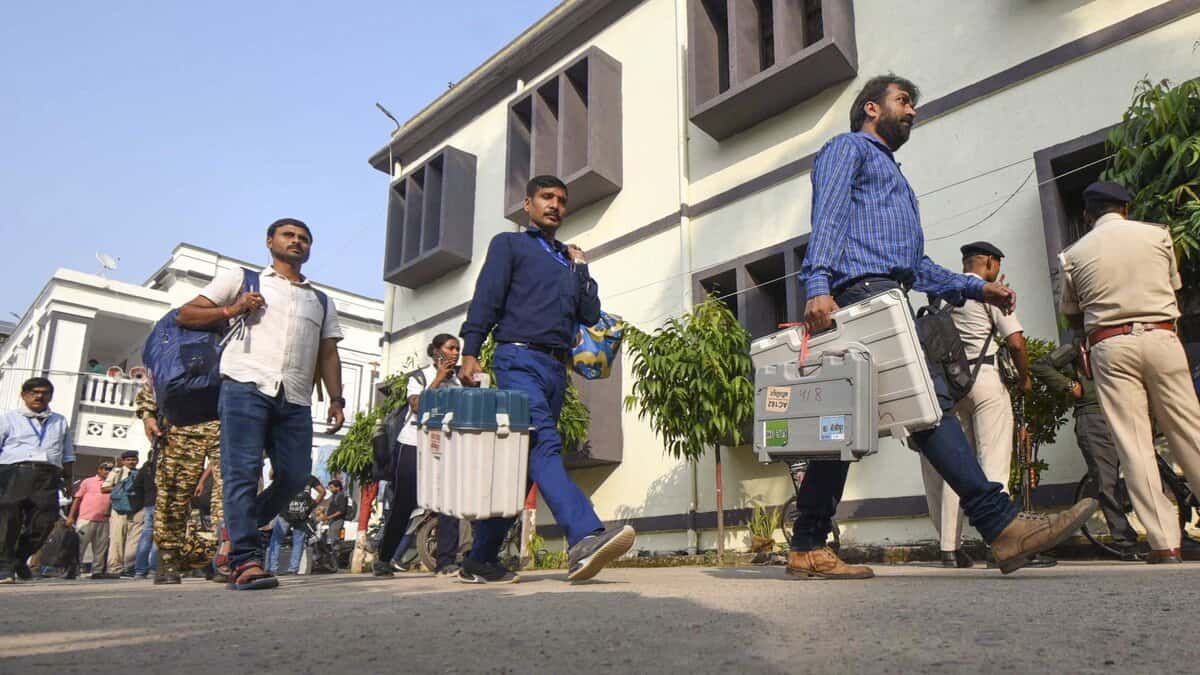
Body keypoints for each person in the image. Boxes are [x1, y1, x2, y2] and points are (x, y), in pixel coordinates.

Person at [795, 74, 1098, 578]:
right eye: (903, 101)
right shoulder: (848, 149)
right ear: (871, 108)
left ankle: (806, 544)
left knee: (842, 430)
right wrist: (816, 283)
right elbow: (825, 216)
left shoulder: (896, 182)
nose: (912, 110)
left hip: (885, 291)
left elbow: (916, 267)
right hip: (861, 295)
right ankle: (1000, 524)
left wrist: (980, 288)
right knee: (929, 404)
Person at [459, 175, 636, 584]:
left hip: (557, 369)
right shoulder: (510, 245)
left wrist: (582, 268)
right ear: (528, 205)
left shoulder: (566, 259)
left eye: (561, 199)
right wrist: (470, 350)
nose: (555, 204)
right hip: (517, 359)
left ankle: (479, 559)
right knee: (544, 444)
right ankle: (585, 536)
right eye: (546, 197)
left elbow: (590, 314)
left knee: (521, 466)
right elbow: (487, 296)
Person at [178, 217, 346, 590]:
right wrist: (232, 309)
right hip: (244, 386)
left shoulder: (320, 300)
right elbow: (186, 314)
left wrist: (336, 399)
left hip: (296, 396)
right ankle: (245, 560)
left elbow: (329, 352)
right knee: (242, 472)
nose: (296, 242)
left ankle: (239, 528)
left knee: (296, 476)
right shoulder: (242, 279)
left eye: (304, 238)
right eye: (288, 235)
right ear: (270, 241)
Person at [1058, 181, 1200, 564]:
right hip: (1162, 335)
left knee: (1133, 443)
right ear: (1126, 208)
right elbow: (1173, 288)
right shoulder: (1158, 236)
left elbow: (1072, 315)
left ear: (1088, 214)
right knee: (1190, 432)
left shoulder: (1073, 254)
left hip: (1110, 344)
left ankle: (1164, 543)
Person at [917, 242, 1052, 569]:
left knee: (956, 466)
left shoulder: (943, 296)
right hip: (986, 378)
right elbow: (1017, 342)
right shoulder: (989, 293)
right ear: (990, 263)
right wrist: (1025, 378)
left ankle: (949, 547)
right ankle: (1003, 540)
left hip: (951, 386)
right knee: (993, 462)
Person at [1031, 343, 1143, 561]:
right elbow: (1041, 366)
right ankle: (1124, 541)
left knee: (1144, 473)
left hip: (1128, 409)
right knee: (1106, 480)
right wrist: (1069, 385)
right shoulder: (1079, 345)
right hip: (1094, 416)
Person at [373, 334, 465, 578]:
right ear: (436, 352)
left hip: (445, 447)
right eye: (450, 348)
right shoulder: (420, 376)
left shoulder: (458, 382)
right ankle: (384, 558)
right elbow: (417, 405)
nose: (455, 353)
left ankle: (445, 562)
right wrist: (438, 379)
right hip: (413, 445)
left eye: (458, 349)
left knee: (449, 504)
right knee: (404, 504)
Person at [135, 383, 225, 585]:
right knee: (173, 496)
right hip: (180, 424)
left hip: (226, 421)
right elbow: (157, 373)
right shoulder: (176, 349)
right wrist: (148, 413)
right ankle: (168, 561)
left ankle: (226, 557)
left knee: (231, 492)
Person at [0, 377, 75, 584]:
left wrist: (68, 480)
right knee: (8, 520)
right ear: (23, 395)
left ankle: (19, 558)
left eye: (44, 392)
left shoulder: (59, 420)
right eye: (34, 392)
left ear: (50, 396)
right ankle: (4, 567)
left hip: (48, 475)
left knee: (45, 521)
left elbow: (67, 453)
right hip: (13, 472)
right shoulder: (8, 419)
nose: (39, 396)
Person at [267, 475, 324, 575]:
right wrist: (312, 506)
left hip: (287, 513)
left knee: (276, 540)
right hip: (301, 515)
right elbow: (322, 492)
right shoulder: (310, 478)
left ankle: (273, 568)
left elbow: (273, 482)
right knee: (298, 542)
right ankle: (293, 569)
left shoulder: (289, 475)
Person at [67, 461, 114, 579]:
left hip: (104, 520)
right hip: (86, 519)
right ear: (99, 470)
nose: (107, 472)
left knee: (100, 548)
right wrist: (71, 516)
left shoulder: (114, 484)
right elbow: (77, 499)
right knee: (80, 546)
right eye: (105, 469)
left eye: (110, 470)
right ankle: (73, 570)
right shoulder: (88, 482)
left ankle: (97, 571)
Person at [102, 450, 142, 578]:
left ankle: (128, 567)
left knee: (132, 541)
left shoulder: (139, 473)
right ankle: (114, 568)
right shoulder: (117, 472)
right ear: (123, 461)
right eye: (128, 459)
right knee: (117, 540)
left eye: (134, 459)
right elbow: (104, 488)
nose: (131, 462)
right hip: (119, 510)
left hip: (135, 509)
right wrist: (122, 488)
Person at [131, 447, 159, 579]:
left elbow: (136, 486)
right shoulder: (166, 466)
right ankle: (153, 568)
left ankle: (140, 570)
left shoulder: (145, 468)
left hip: (149, 504)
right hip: (162, 504)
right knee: (158, 537)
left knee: (146, 536)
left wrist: (143, 501)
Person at [319, 479, 348, 567]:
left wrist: (328, 517)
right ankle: (332, 562)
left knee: (335, 541)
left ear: (338, 487)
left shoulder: (341, 496)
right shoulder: (334, 496)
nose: (330, 489)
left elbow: (341, 511)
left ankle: (336, 562)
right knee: (330, 541)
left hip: (337, 521)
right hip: (332, 521)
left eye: (331, 487)